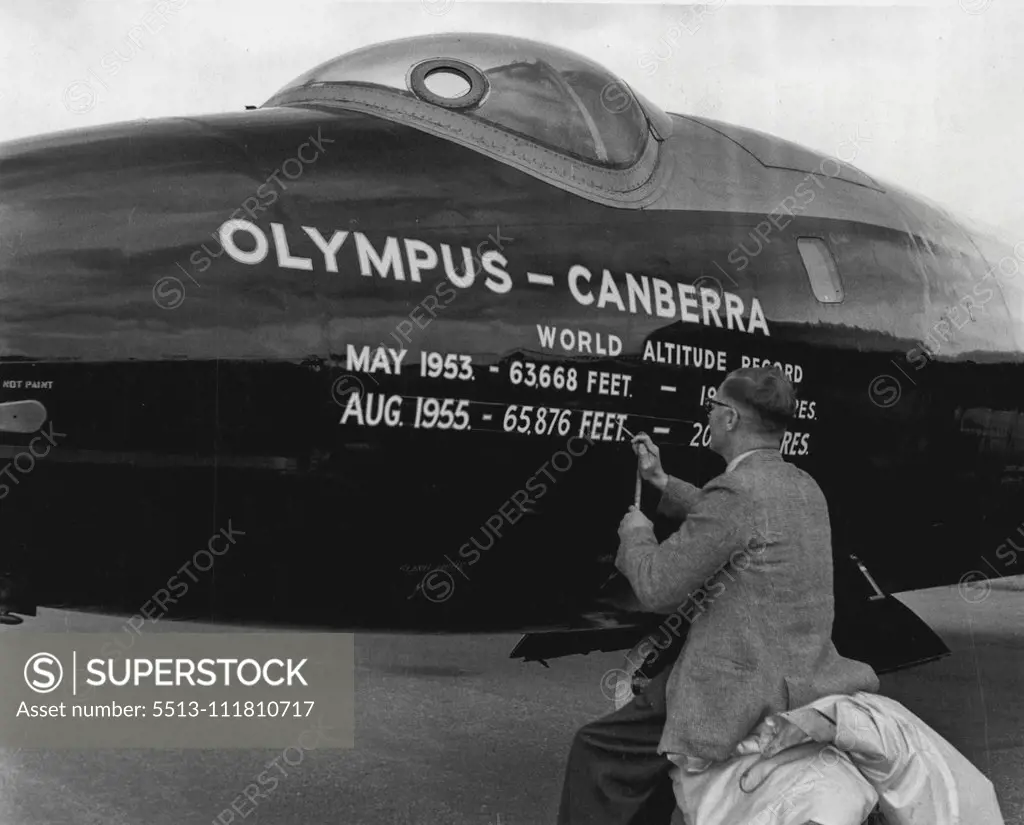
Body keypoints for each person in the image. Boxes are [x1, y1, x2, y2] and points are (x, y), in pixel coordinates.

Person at [557, 365, 879, 824]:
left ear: (729, 419)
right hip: (804, 672)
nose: (707, 416)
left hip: (737, 686)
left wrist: (636, 535)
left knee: (597, 751)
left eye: (712, 408)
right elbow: (741, 521)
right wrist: (664, 483)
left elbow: (657, 587)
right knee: (641, 760)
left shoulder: (737, 492)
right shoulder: (803, 486)